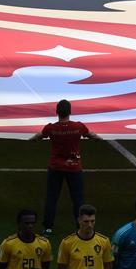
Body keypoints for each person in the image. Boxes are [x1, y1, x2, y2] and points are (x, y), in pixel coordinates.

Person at [29, 100, 102, 236]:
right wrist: (99, 139)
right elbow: (91, 135)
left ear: (57, 112)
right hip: (74, 168)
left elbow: (38, 136)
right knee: (78, 199)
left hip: (55, 167)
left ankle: (48, 227)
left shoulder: (51, 128)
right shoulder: (78, 127)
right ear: (70, 112)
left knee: (52, 198)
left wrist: (29, 140)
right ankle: (80, 225)